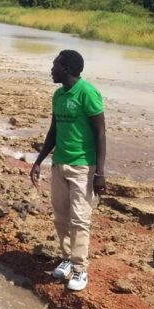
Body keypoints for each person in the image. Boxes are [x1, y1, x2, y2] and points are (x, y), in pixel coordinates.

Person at [30, 50, 106, 292]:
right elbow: (54, 130)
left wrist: (100, 173)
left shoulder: (88, 93)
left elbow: (100, 133)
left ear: (66, 68)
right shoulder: (58, 95)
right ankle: (66, 259)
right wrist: (39, 160)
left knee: (80, 219)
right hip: (59, 164)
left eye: (54, 66)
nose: (51, 70)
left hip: (82, 166)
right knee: (61, 217)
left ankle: (80, 269)